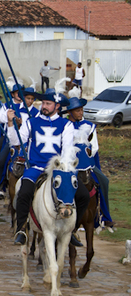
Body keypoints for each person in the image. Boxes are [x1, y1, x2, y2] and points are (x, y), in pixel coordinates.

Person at [9, 89, 89, 247]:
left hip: (57, 169)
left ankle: (72, 229)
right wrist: (11, 123)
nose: (43, 106)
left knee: (83, 195)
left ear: (57, 106)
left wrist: (62, 168)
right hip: (36, 167)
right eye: (43, 103)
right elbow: (15, 141)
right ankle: (21, 230)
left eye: (48, 104)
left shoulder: (66, 125)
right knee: (24, 193)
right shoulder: (31, 122)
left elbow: (66, 149)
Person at [66, 97, 113, 229]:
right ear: (70, 112)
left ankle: (104, 216)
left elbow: (95, 147)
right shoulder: (65, 125)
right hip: (69, 164)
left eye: (81, 110)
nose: (81, 113)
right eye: (77, 111)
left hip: (87, 163)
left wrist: (88, 151)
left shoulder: (89, 126)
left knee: (104, 181)